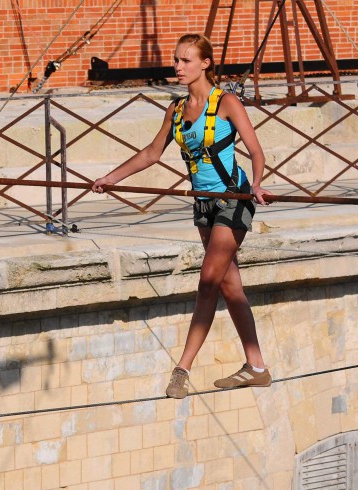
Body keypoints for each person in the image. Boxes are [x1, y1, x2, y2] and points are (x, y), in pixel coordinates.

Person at [93, 33, 274, 399]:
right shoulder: (175, 110)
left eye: (186, 60)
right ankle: (256, 366)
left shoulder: (227, 103)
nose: (178, 66)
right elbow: (151, 153)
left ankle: (182, 369)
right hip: (203, 205)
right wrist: (110, 179)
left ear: (205, 63)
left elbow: (256, 151)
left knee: (208, 282)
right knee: (229, 286)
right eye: (176, 60)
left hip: (233, 199)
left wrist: (256, 183)